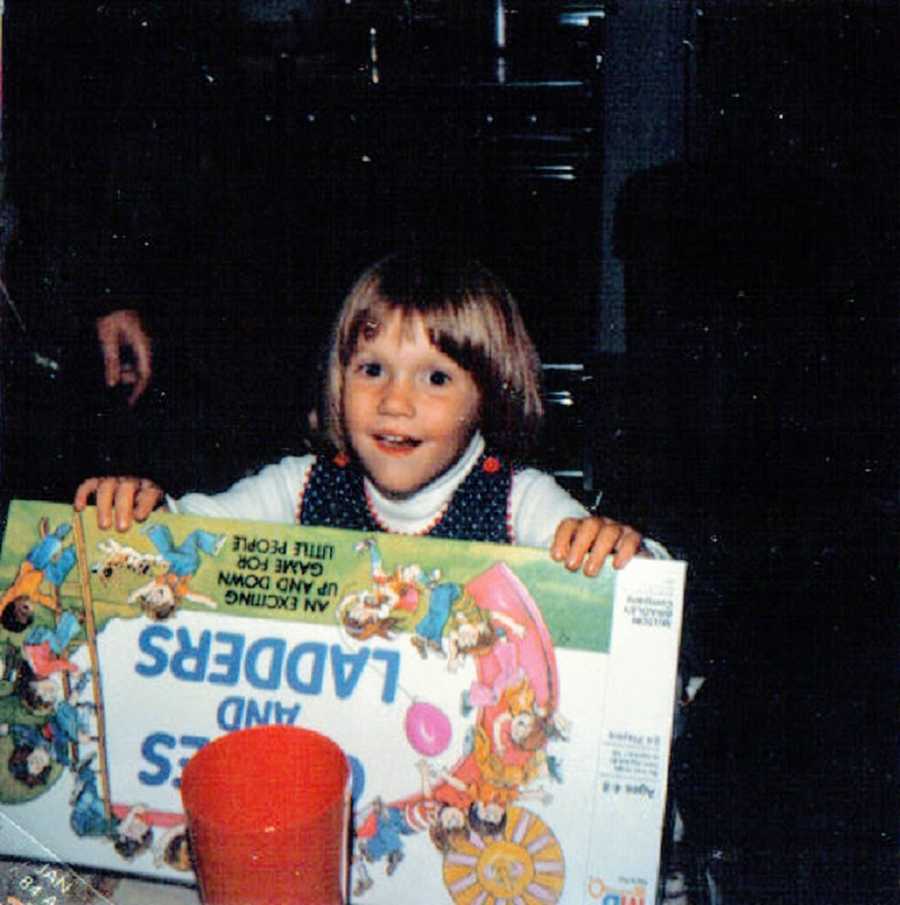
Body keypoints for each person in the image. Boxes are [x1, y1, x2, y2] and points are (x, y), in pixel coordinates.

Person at [73, 251, 647, 575]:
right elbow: (187, 527)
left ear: (489, 395)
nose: (395, 403)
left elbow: (643, 579)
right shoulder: (299, 486)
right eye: (371, 370)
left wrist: (620, 547)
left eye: (437, 378)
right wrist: (144, 508)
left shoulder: (521, 500)